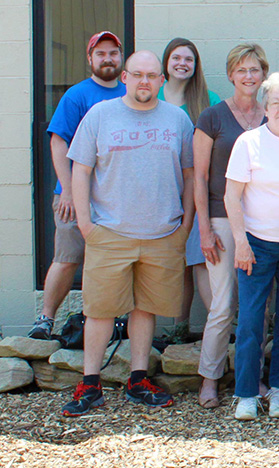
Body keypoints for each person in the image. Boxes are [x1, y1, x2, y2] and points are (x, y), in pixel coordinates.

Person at [61, 50, 193, 416]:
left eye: (152, 76)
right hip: (109, 231)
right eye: (137, 75)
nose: (145, 82)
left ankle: (138, 379)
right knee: (100, 310)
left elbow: (189, 175)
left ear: (162, 81)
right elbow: (81, 170)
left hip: (162, 232)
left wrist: (185, 226)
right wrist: (85, 224)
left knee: (146, 308)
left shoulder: (177, 119)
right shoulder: (100, 115)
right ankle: (90, 384)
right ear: (125, 77)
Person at [29, 31, 125, 341]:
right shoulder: (77, 95)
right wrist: (68, 191)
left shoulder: (130, 94)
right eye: (101, 54)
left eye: (112, 53)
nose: (107, 58)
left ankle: (114, 324)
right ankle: (45, 320)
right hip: (74, 196)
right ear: (90, 59)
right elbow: (58, 143)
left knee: (116, 263)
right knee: (67, 257)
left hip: (116, 200)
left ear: (121, 57)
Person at [226, 73, 279, 421]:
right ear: (264, 106)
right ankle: (246, 392)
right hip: (256, 244)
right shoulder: (248, 143)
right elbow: (232, 197)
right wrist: (241, 242)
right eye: (274, 102)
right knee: (250, 319)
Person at [193, 43, 269, 409]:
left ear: (263, 74)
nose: (249, 77)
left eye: (254, 70)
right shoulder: (212, 117)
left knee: (259, 308)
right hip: (221, 221)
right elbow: (199, 175)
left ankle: (253, 378)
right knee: (223, 305)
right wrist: (204, 229)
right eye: (242, 70)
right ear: (230, 75)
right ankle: (209, 378)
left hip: (261, 223)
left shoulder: (271, 117)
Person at [159, 37, 222, 343]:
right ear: (166, 63)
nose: (182, 64)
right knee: (174, 263)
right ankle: (178, 327)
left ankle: (219, 327)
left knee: (197, 258)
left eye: (189, 59)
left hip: (197, 193)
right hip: (159, 194)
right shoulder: (151, 97)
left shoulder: (207, 100)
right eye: (177, 58)